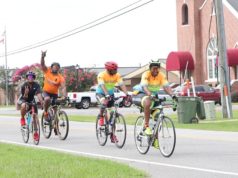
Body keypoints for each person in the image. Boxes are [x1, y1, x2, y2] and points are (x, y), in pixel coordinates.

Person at [132, 60, 176, 148]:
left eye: (157, 68)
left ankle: (155, 139)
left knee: (158, 118)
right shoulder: (146, 74)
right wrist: (149, 94)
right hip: (141, 94)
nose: (156, 70)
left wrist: (173, 95)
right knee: (148, 101)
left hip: (153, 96)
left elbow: (166, 87)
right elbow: (144, 87)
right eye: (154, 68)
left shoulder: (161, 75)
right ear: (150, 69)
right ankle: (147, 126)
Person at [96, 61, 131, 143]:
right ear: (109, 69)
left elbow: (122, 84)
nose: (116, 71)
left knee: (113, 115)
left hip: (110, 94)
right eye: (114, 70)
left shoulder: (117, 75)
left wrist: (127, 94)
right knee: (104, 103)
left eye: (116, 69)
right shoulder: (102, 75)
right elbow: (102, 85)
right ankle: (101, 118)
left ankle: (112, 135)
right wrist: (106, 94)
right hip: (101, 93)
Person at [40, 51, 67, 122]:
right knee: (47, 99)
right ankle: (45, 112)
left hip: (54, 94)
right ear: (51, 67)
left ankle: (56, 128)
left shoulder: (60, 77)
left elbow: (63, 87)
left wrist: (64, 96)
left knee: (56, 111)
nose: (56, 68)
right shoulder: (47, 71)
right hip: (46, 92)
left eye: (57, 67)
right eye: (54, 67)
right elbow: (42, 64)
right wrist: (42, 56)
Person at [18, 71, 43, 141]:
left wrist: (41, 102)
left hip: (32, 101)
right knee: (23, 106)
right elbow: (24, 97)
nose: (30, 78)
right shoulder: (24, 85)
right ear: (27, 78)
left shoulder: (36, 85)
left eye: (32, 76)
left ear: (34, 78)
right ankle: (22, 118)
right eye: (29, 76)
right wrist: (26, 93)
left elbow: (39, 94)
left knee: (34, 116)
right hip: (25, 100)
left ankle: (35, 133)